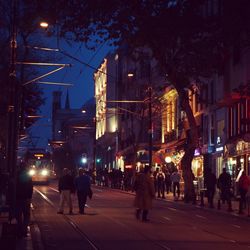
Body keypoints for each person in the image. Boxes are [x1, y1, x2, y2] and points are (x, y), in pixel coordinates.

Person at [15, 162, 33, 237]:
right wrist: (29, 197)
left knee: (18, 215)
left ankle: (19, 231)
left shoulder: (16, 174)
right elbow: (30, 187)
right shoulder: (28, 175)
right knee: (26, 215)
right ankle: (24, 231)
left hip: (18, 198)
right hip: (26, 198)